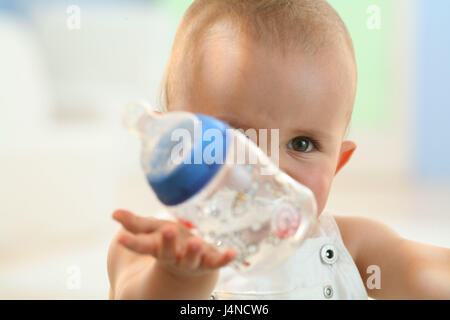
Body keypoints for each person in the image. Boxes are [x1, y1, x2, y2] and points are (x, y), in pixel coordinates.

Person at [107, 0, 450, 300]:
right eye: (235, 136)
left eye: (302, 144)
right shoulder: (154, 247)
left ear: (337, 163)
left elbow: (423, 273)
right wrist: (180, 276)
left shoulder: (355, 249)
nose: (266, 163)